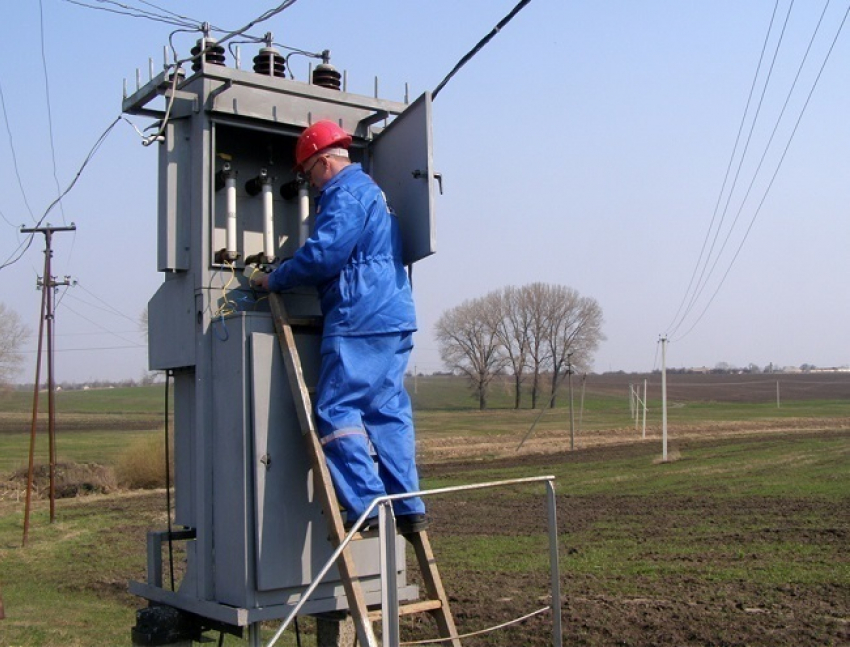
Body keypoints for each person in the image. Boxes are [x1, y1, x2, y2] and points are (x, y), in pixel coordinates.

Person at [253, 120, 427, 535]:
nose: (311, 185)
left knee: (335, 412)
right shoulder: (374, 192)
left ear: (324, 161)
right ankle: (407, 507)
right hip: (393, 315)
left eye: (310, 174)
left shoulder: (343, 193)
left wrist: (273, 279)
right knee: (387, 412)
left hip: (359, 315)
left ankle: (368, 507)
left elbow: (323, 256)